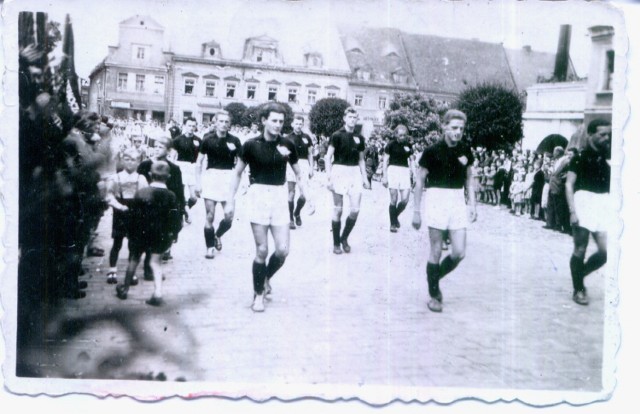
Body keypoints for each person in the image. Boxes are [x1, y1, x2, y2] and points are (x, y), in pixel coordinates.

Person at [228, 102, 310, 312]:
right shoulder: (250, 145)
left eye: (281, 121)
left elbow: (298, 172)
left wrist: (307, 196)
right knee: (262, 250)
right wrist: (231, 199)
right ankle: (258, 295)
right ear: (264, 120)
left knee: (282, 250)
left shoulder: (287, 144)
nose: (278, 125)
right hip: (258, 196)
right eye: (274, 120)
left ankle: (265, 277)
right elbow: (237, 173)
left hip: (279, 196)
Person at [412, 109, 477, 313]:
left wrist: (472, 204)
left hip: (457, 200)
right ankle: (434, 294)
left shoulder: (466, 151)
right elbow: (420, 180)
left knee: (459, 252)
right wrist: (416, 211)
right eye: (454, 128)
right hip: (436, 200)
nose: (458, 132)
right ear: (445, 127)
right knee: (437, 250)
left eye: (461, 129)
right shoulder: (431, 151)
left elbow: (469, 180)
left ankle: (433, 276)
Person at [116, 161, 182, 306]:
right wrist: (174, 234)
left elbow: (132, 215)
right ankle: (158, 293)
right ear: (168, 177)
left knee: (134, 259)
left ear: (151, 175)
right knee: (155, 262)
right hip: (161, 235)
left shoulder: (141, 193)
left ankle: (125, 289)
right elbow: (176, 218)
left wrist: (130, 232)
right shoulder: (171, 196)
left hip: (140, 234)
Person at [565, 119, 611, 306]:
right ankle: (578, 289)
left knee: (606, 251)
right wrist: (572, 211)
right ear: (591, 135)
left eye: (608, 134)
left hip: (602, 204)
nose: (606, 138)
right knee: (580, 248)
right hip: (584, 202)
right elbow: (569, 184)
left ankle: (579, 274)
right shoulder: (580, 157)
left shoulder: (609, 158)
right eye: (602, 134)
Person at [195, 111, 242, 259]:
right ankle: (209, 248)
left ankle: (217, 235)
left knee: (229, 217)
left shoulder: (235, 141)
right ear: (215, 123)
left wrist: (242, 182)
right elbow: (199, 163)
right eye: (221, 121)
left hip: (228, 178)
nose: (223, 124)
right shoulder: (207, 140)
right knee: (210, 215)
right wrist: (198, 183)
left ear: (230, 124)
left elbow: (241, 164)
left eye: (226, 122)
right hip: (211, 177)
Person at [325, 107, 370, 254]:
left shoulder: (359, 138)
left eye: (354, 117)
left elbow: (362, 160)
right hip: (339, 171)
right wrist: (329, 177)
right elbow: (327, 157)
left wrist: (365, 178)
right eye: (350, 117)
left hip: (354, 172)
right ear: (345, 118)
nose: (352, 119)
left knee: (355, 210)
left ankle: (344, 237)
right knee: (338, 210)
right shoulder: (337, 135)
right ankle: (336, 243)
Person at [137, 136, 184, 275]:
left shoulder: (174, 169)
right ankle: (148, 267)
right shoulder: (145, 165)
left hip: (165, 207)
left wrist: (180, 209)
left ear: (168, 150)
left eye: (161, 147)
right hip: (147, 206)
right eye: (155, 146)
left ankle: (152, 265)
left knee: (161, 236)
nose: (157, 149)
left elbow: (178, 191)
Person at [105, 148, 148, 284]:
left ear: (139, 162)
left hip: (135, 214)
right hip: (120, 213)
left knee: (133, 244)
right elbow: (109, 196)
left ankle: (132, 272)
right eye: (127, 159)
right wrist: (119, 206)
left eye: (134, 160)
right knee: (117, 243)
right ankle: (112, 270)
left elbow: (145, 197)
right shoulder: (116, 178)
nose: (130, 163)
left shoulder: (141, 179)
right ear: (122, 161)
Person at [382, 124, 413, 232]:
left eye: (404, 135)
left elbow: (412, 160)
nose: (402, 137)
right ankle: (393, 224)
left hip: (404, 171)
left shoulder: (409, 146)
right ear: (396, 135)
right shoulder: (390, 145)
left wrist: (413, 174)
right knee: (394, 199)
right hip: (393, 171)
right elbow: (385, 160)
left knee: (405, 200)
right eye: (400, 135)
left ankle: (395, 217)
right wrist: (384, 176)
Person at [285, 115, 314, 229]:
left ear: (303, 125)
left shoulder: (307, 137)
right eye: (296, 124)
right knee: (291, 193)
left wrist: (311, 168)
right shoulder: (287, 138)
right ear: (292, 124)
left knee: (303, 194)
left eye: (300, 124)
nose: (298, 126)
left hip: (304, 165)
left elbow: (310, 154)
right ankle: (291, 219)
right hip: (291, 165)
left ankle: (297, 212)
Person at [172, 116, 201, 223]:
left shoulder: (198, 140)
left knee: (194, 197)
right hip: (181, 167)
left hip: (193, 168)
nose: (191, 128)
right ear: (184, 126)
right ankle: (185, 213)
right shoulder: (178, 140)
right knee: (181, 194)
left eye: (193, 126)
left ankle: (185, 209)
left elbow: (201, 158)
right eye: (189, 125)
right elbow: (173, 156)